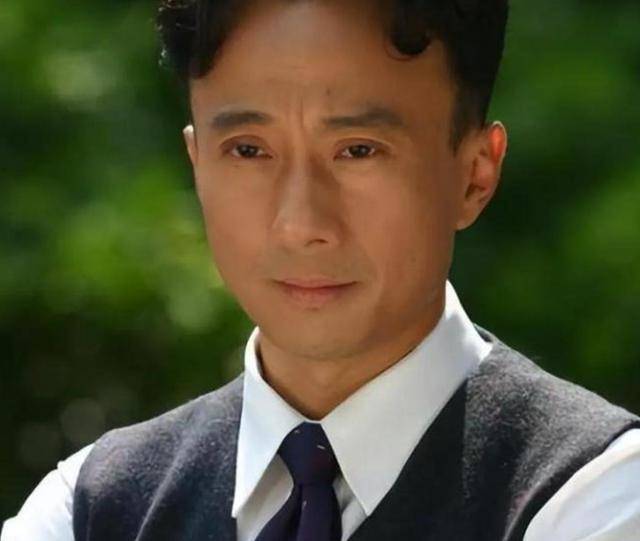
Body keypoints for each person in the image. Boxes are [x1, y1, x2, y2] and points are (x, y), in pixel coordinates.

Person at [3, 0, 640, 539]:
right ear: (197, 165)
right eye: (248, 150)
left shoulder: (596, 494)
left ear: (475, 174)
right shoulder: (90, 507)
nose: (300, 223)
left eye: (358, 150)